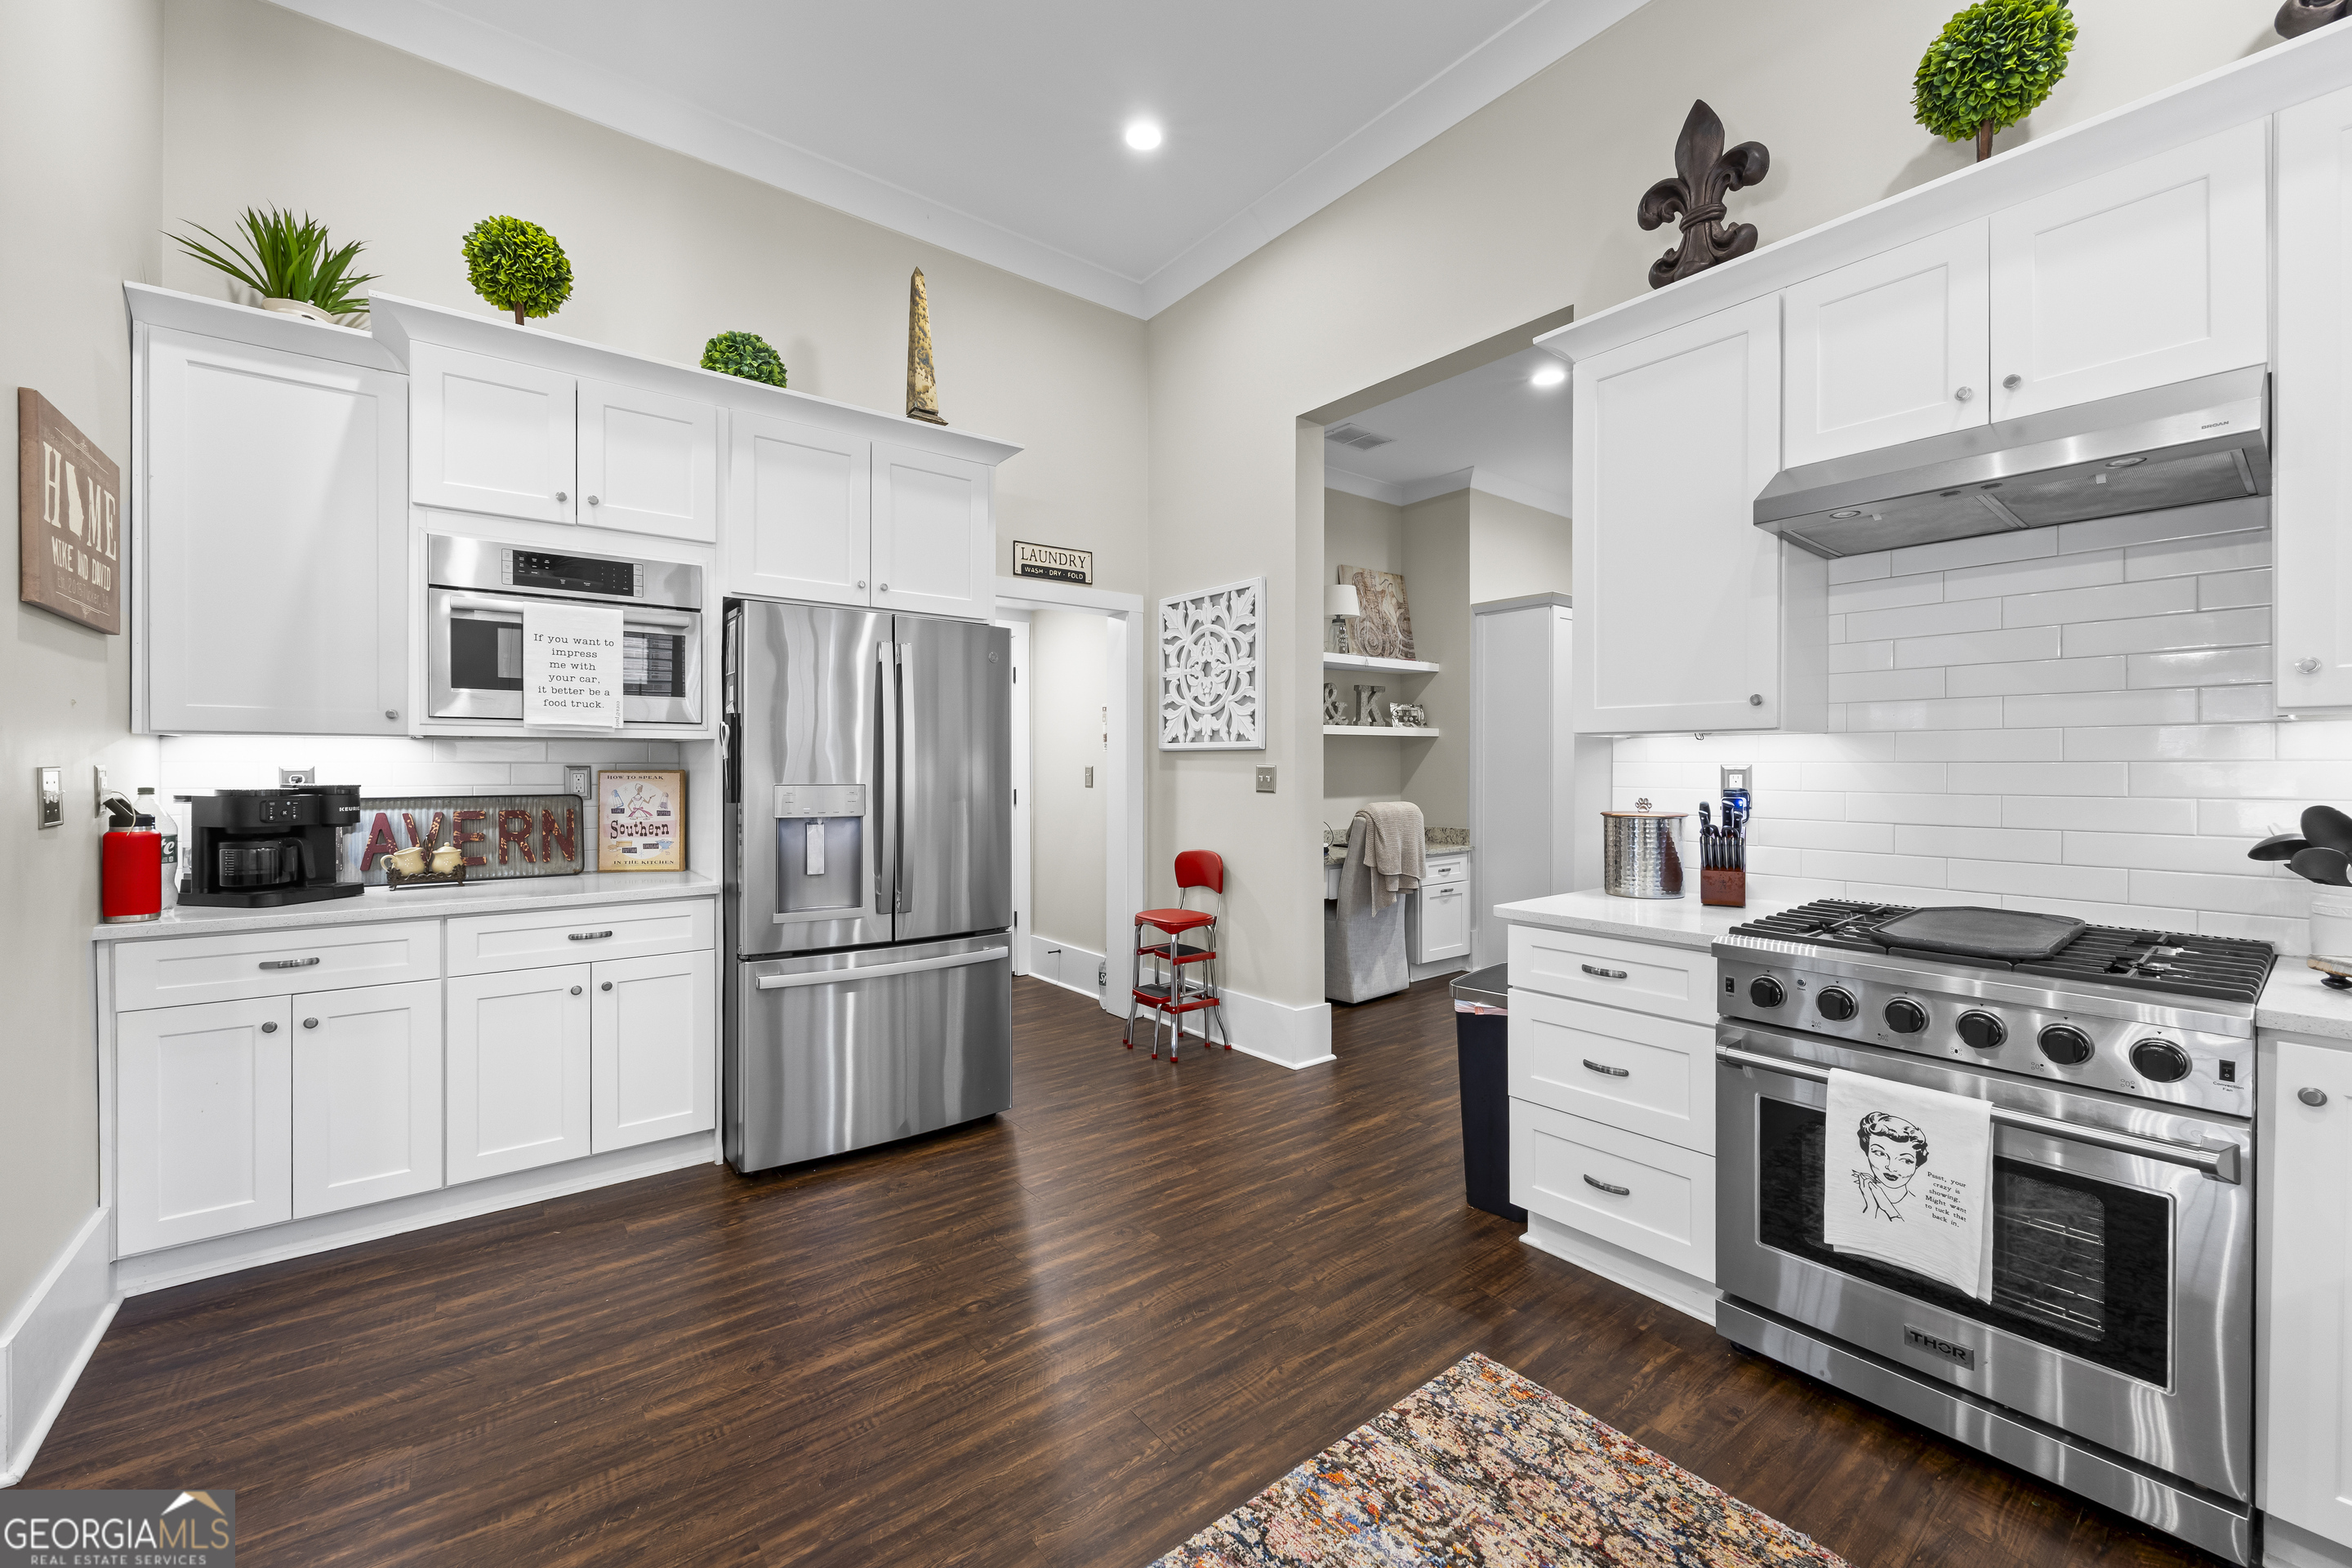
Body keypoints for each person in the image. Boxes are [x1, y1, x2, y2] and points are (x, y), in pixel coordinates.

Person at [1853, 1111, 1929, 1222]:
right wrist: (1871, 1209)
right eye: (1880, 1153)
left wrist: (1889, 1209)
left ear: (1917, 1164)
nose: (1891, 1167)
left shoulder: (1921, 1209)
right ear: (1867, 1151)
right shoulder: (1852, 1192)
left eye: (1906, 1160)